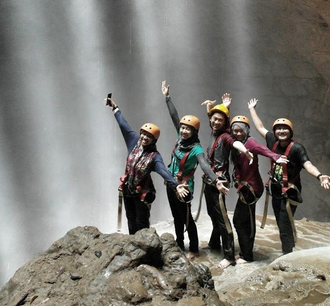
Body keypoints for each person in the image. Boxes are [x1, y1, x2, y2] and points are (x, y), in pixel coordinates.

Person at [247, 98, 330, 254]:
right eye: (278, 129)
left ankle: (287, 254)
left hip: (290, 191)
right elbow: (260, 127)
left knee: (284, 223)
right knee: (282, 224)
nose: (281, 131)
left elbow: (307, 165)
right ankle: (289, 247)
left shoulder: (297, 149)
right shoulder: (272, 141)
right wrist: (252, 109)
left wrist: (320, 175)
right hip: (275, 189)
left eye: (285, 129)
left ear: (290, 131)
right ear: (274, 132)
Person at [161, 81, 227, 258]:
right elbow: (175, 117)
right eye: (182, 128)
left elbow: (204, 164)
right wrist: (167, 97)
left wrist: (216, 180)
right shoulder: (180, 139)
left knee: (187, 219)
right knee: (176, 216)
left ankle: (194, 249)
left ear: (194, 131)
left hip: (185, 186)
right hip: (171, 183)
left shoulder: (196, 148)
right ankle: (180, 245)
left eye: (187, 129)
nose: (183, 131)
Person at [106, 95, 189, 235]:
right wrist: (115, 108)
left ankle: (145, 247)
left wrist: (175, 185)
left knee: (142, 222)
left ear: (153, 140)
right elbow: (123, 125)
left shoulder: (155, 156)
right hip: (128, 190)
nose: (144, 137)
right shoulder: (133, 141)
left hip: (143, 193)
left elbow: (164, 171)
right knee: (130, 219)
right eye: (143, 134)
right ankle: (133, 243)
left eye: (148, 136)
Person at [200, 94, 253, 268]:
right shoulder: (213, 132)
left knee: (223, 219)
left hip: (219, 182)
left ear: (225, 123)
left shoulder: (225, 136)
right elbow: (212, 118)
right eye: (214, 119)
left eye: (220, 120)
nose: (216, 122)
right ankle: (215, 243)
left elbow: (234, 142)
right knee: (213, 214)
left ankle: (229, 256)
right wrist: (218, 107)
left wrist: (245, 150)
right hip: (209, 181)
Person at [228, 114, 287, 264]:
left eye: (241, 130)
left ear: (246, 131)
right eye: (235, 130)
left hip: (252, 189)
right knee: (245, 221)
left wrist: (275, 156)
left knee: (240, 221)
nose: (238, 133)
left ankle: (247, 255)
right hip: (246, 188)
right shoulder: (236, 143)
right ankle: (245, 253)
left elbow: (261, 149)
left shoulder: (250, 142)